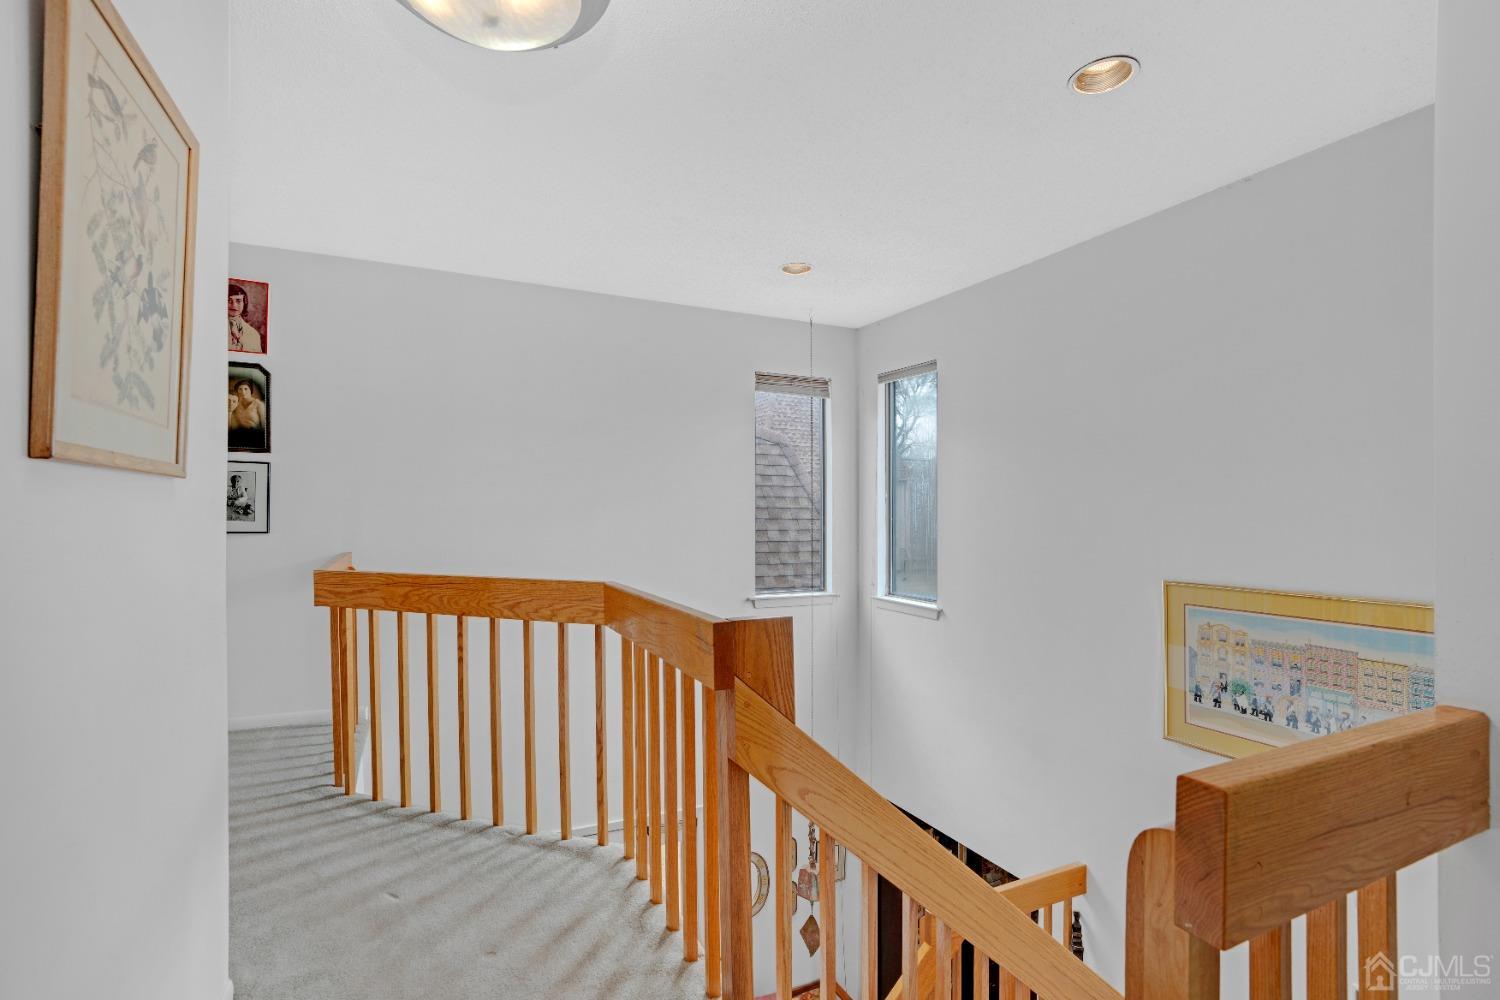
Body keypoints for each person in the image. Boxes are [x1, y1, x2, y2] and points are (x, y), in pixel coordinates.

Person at [228, 378, 267, 449]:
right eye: (240, 389)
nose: (243, 392)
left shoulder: (259, 404)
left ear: (250, 390)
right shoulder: (236, 404)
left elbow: (265, 428)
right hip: (237, 439)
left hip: (256, 438)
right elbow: (232, 426)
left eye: (246, 389)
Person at [228, 284, 263, 353]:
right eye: (228, 300)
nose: (234, 305)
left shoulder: (254, 334)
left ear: (244, 303)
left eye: (238, 301)